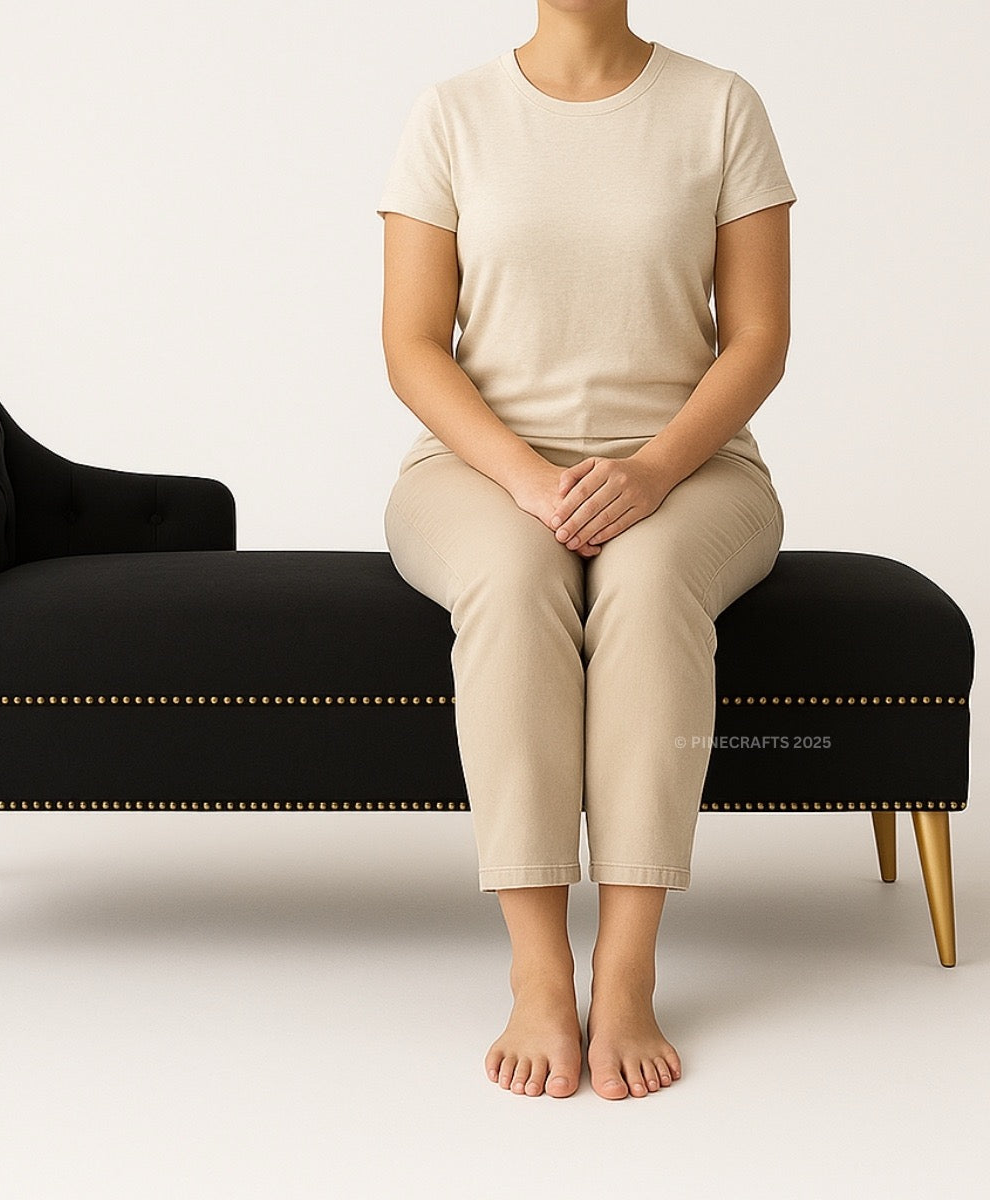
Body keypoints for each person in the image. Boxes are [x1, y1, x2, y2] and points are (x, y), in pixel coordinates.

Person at [376, 0, 796, 1101]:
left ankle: (627, 966)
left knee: (651, 580)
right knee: (514, 581)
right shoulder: (451, 113)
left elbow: (758, 340)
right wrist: (524, 480)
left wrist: (653, 472)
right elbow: (413, 345)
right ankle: (535, 969)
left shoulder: (719, 107)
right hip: (477, 467)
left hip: (694, 467)